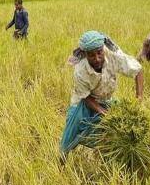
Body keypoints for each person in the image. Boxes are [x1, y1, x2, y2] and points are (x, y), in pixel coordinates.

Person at [61, 31, 144, 159]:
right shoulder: (80, 71)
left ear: (103, 49)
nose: (97, 58)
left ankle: (104, 157)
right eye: (91, 55)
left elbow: (138, 70)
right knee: (71, 135)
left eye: (99, 52)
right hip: (82, 102)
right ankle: (61, 161)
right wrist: (103, 112)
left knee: (111, 134)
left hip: (105, 100)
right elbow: (86, 97)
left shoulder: (113, 56)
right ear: (85, 54)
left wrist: (139, 100)